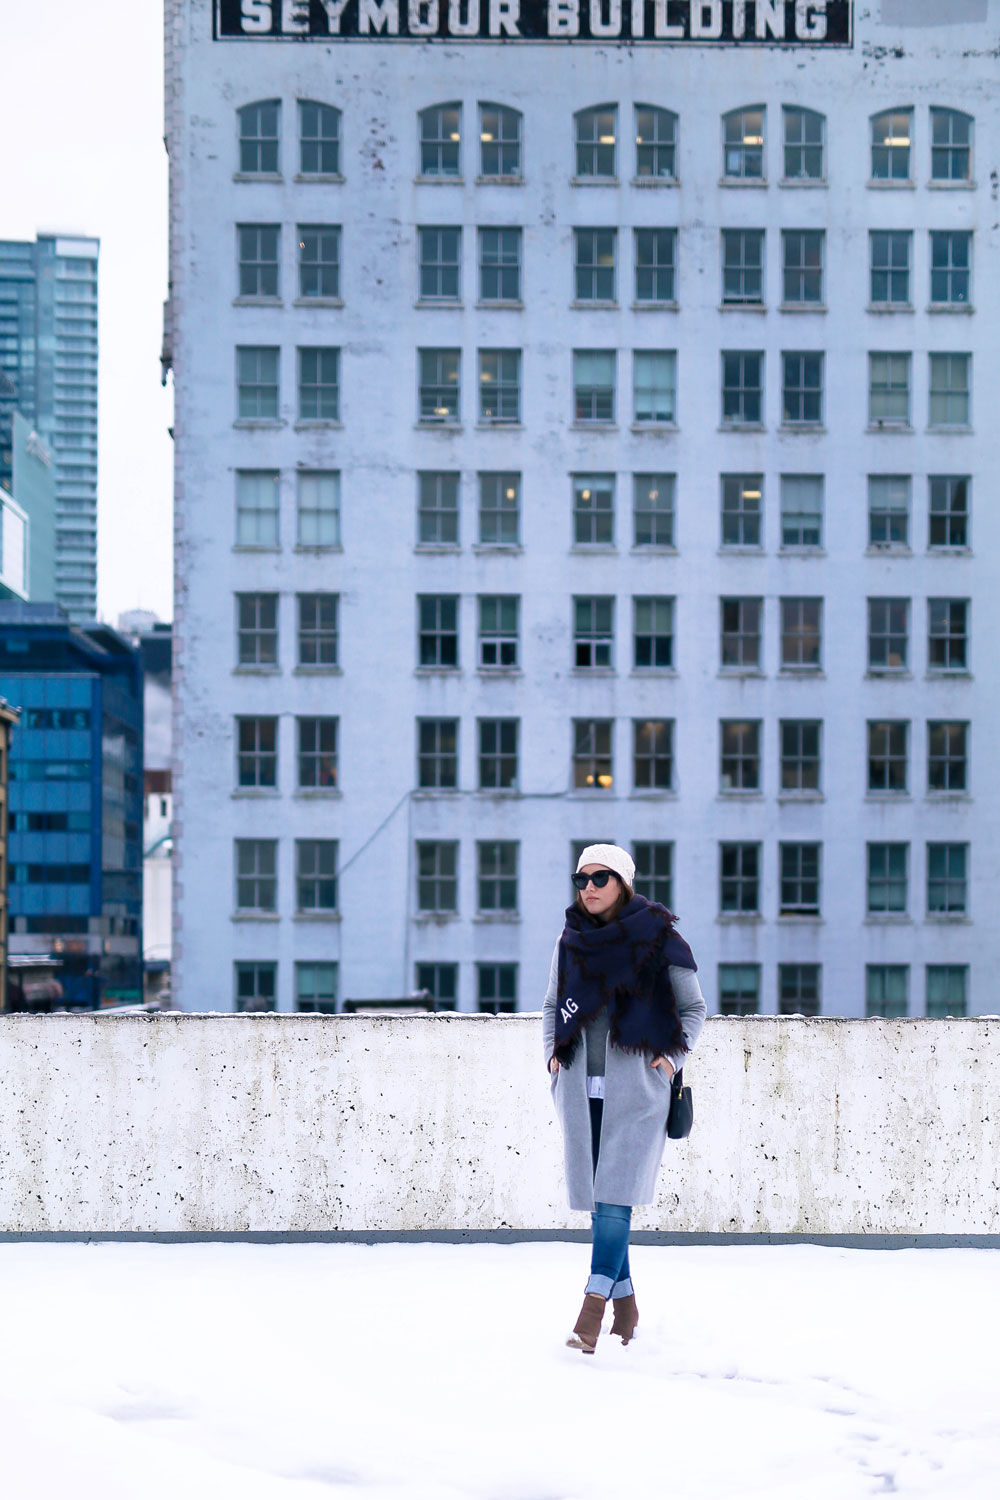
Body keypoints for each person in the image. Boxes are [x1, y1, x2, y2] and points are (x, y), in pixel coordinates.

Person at [542, 843, 707, 1355]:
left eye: (600, 878)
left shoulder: (659, 939)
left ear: (624, 883)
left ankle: (589, 1314)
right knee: (603, 1204)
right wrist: (552, 1052)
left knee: (614, 1200)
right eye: (582, 879)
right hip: (579, 1088)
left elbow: (694, 1008)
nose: (588, 888)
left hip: (637, 1091)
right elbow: (552, 1004)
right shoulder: (570, 940)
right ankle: (627, 1306)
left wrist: (671, 1059)